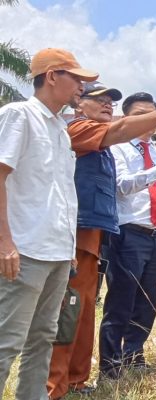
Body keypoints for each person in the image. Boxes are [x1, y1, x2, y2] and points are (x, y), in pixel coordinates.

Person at [48, 82, 156, 398]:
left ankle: (80, 378)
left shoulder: (145, 149)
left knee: (93, 307)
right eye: (98, 99)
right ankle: (68, 380)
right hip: (99, 232)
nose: (106, 104)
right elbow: (120, 186)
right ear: (78, 103)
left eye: (109, 101)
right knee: (86, 306)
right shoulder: (94, 135)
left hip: (101, 233)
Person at [0, 48, 97, 400]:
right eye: (77, 78)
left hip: (56, 252)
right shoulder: (19, 115)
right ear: (52, 76)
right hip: (24, 250)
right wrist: (4, 242)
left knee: (43, 338)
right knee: (7, 340)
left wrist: (67, 247)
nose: (82, 87)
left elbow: (61, 193)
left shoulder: (60, 128)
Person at [98, 92, 156, 379]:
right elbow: (121, 186)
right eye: (140, 115)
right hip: (127, 231)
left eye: (152, 114)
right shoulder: (117, 147)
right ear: (126, 118)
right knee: (121, 299)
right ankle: (110, 364)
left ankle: (134, 355)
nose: (148, 120)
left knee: (148, 301)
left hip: (153, 233)